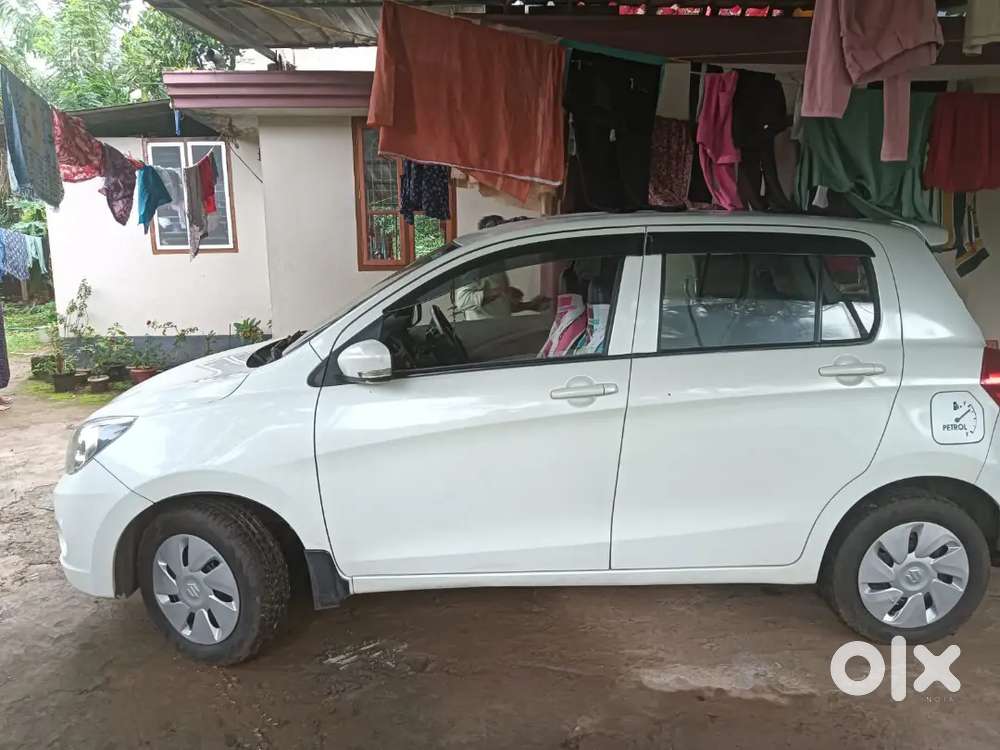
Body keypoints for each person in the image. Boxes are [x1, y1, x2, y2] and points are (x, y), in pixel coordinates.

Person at [453, 215, 550, 320]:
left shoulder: (496, 261)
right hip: (485, 332)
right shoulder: (477, 265)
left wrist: (530, 305)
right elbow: (462, 301)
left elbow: (498, 306)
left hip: (501, 327)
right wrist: (501, 291)